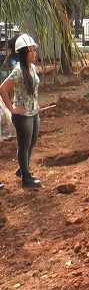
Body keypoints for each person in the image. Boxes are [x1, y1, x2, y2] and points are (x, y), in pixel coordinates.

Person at [0, 34, 42, 188]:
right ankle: (26, 178)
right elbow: (3, 89)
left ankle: (22, 169)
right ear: (22, 53)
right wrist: (12, 109)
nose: (33, 53)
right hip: (23, 115)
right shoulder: (18, 71)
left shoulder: (33, 68)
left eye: (34, 50)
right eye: (29, 51)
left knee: (32, 143)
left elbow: (33, 90)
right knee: (24, 146)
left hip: (33, 113)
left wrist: (36, 104)